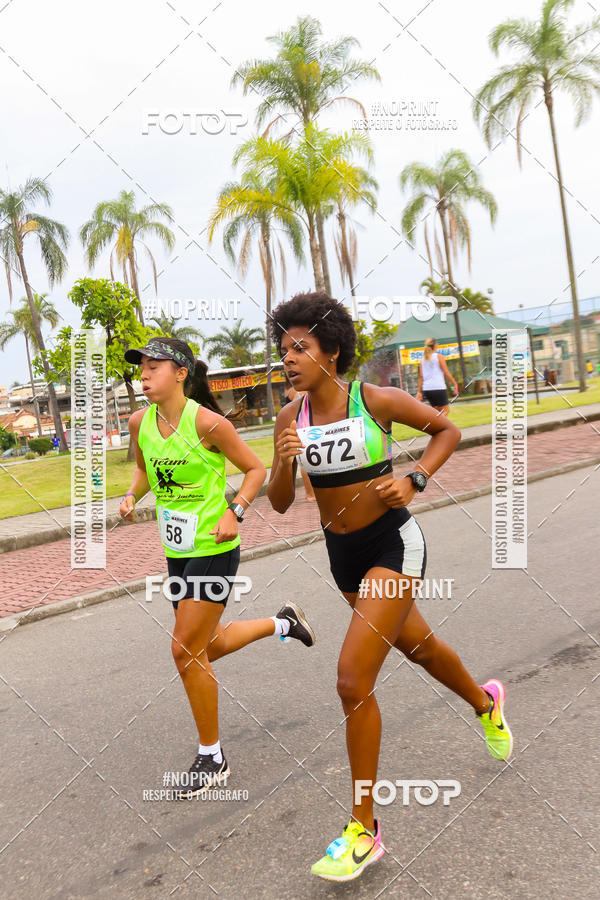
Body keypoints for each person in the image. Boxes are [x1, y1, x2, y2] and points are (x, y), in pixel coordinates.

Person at [267, 293, 512, 882]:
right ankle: (486, 702)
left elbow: (446, 430)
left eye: (300, 347)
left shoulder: (374, 401)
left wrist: (415, 478)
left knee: (352, 678)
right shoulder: (289, 419)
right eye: (284, 349)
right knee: (421, 648)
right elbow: (279, 503)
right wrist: (281, 462)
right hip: (343, 558)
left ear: (332, 351)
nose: (289, 359)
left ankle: (364, 830)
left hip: (394, 545)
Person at [120, 336, 315, 797]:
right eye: (141, 368)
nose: (143, 375)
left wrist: (237, 511)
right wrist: (132, 494)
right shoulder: (138, 422)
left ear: (181, 373)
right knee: (205, 645)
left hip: (214, 545)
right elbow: (148, 470)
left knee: (184, 651)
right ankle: (281, 622)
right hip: (178, 551)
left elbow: (255, 470)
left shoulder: (208, 423)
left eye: (154, 367)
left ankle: (213, 758)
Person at [282, 376, 316, 500]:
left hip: (295, 423)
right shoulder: (300, 391)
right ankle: (310, 493)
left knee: (302, 459)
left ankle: (310, 493)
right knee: (305, 459)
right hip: (300, 424)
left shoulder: (288, 389)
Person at [416, 337, 459, 415]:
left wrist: (419, 392)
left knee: (437, 413)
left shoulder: (422, 360)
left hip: (427, 389)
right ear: (435, 345)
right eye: (437, 343)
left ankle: (435, 426)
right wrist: (454, 383)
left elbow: (421, 377)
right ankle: (434, 426)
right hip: (438, 387)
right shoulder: (438, 357)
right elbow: (446, 372)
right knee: (445, 411)